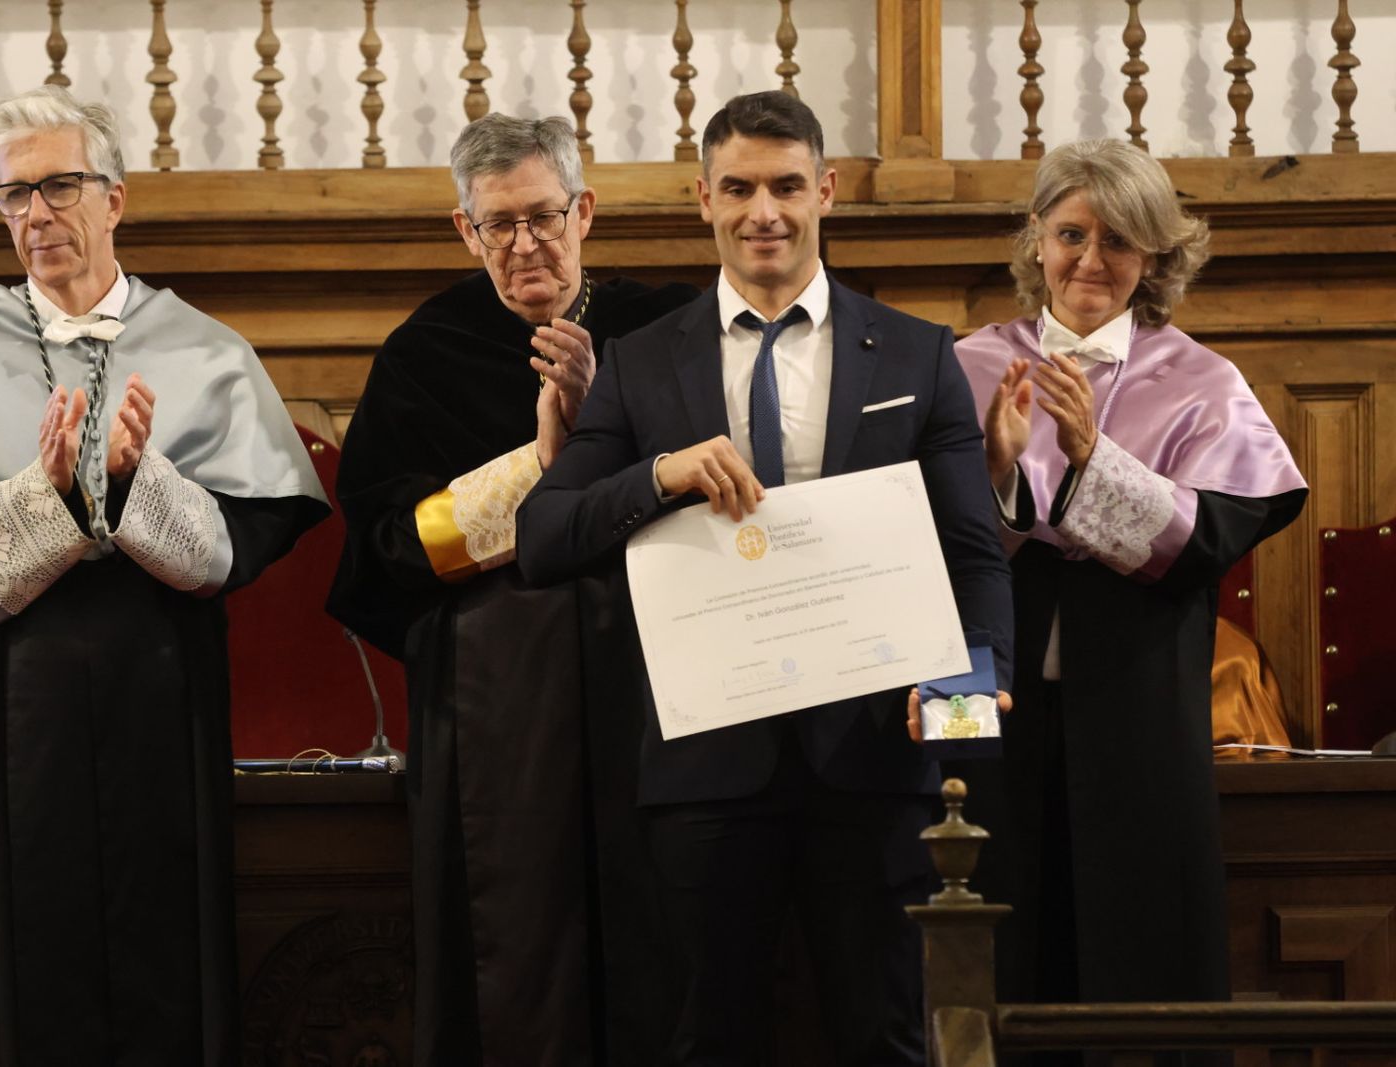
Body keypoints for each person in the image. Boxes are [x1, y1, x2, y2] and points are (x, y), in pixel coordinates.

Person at [516, 91, 1013, 1066]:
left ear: (825, 190)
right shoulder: (640, 364)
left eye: (786, 186)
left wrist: (965, 701)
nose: (764, 212)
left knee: (890, 1039)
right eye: (739, 188)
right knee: (708, 1040)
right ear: (703, 199)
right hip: (706, 769)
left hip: (878, 761)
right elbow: (542, 537)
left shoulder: (919, 352)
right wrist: (660, 475)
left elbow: (972, 551)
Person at [0, 85, 328, 1066]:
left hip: (157, 699)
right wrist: (49, 494)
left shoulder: (203, 351)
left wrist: (138, 482)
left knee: (159, 960)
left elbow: (250, 538)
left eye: (59, 185)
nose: (36, 214)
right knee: (20, 971)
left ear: (115, 198)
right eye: (12, 194)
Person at [327, 114, 695, 1066]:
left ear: (585, 212)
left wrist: (607, 426)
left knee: (664, 943)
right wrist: (538, 463)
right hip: (500, 700)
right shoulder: (424, 354)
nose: (525, 244)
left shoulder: (669, 328)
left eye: (543, 217)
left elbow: (727, 481)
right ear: (466, 229)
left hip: (657, 682)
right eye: (499, 224)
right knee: (519, 957)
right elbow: (383, 545)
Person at [946, 139, 1307, 1022]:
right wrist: (997, 469)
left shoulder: (1203, 383)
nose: (1091, 260)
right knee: (992, 928)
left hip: (1139, 702)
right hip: (987, 702)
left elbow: (1215, 538)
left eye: (1119, 240)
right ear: (1037, 237)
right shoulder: (970, 363)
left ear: (1154, 255)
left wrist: (1091, 458)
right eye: (1072, 234)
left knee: (1140, 945)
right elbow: (926, 542)